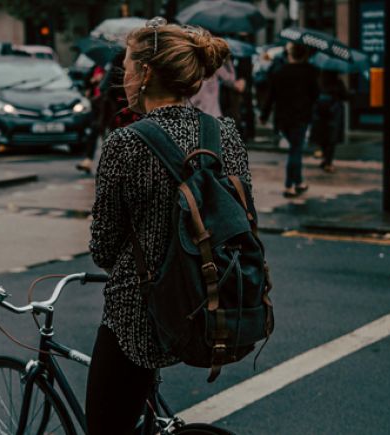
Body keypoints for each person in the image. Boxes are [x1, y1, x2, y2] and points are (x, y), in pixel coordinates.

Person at [87, 18, 252, 435]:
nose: (122, 77)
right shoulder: (225, 134)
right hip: (209, 304)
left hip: (139, 321)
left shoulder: (125, 144)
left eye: (126, 66)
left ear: (144, 74)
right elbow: (243, 219)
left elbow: (103, 249)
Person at [259, 42, 319, 198]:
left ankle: (298, 182)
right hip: (301, 116)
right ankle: (289, 185)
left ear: (290, 54)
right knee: (296, 150)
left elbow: (271, 96)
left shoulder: (280, 72)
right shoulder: (310, 72)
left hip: (283, 118)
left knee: (295, 147)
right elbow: (315, 95)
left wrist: (264, 116)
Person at [310, 70, 348, 173]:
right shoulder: (338, 83)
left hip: (320, 112)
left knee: (323, 136)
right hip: (334, 112)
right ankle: (328, 162)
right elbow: (345, 96)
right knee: (332, 138)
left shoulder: (319, 82)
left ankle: (325, 158)